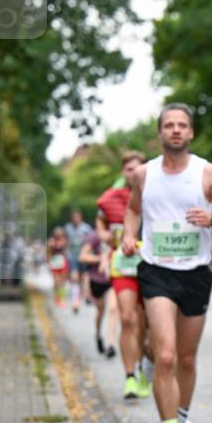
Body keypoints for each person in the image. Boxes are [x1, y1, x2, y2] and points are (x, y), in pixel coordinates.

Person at [122, 103, 212, 423]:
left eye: (182, 125)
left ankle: (183, 415)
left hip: (196, 272)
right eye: (169, 125)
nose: (175, 130)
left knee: (187, 358)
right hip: (156, 270)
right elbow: (132, 209)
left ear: (190, 133)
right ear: (160, 133)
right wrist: (128, 235)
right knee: (167, 355)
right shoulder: (143, 174)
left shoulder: (207, 173)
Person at [97, 151, 151, 400]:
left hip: (151, 266)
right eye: (129, 169)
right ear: (123, 172)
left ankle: (143, 365)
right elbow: (100, 221)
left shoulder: (154, 195)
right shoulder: (110, 198)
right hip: (123, 265)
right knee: (127, 318)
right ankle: (130, 376)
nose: (134, 173)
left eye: (138, 168)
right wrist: (105, 235)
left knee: (146, 323)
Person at [78, 232, 117, 360]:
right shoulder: (95, 237)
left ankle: (111, 344)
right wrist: (101, 258)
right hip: (97, 280)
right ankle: (98, 334)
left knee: (113, 308)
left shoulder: (119, 233)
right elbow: (82, 256)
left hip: (113, 278)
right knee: (101, 311)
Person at [64, 210, 94, 313]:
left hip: (83, 256)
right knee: (74, 277)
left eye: (77, 217)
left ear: (81, 218)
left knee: (84, 278)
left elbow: (92, 241)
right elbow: (65, 241)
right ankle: (75, 301)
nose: (75, 219)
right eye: (74, 217)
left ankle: (85, 296)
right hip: (72, 256)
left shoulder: (86, 228)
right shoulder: (67, 228)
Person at [47, 227, 69, 307]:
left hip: (63, 261)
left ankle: (62, 298)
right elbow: (48, 253)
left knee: (63, 281)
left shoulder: (64, 240)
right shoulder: (51, 241)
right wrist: (49, 262)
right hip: (54, 261)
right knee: (56, 281)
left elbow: (66, 251)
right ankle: (57, 297)